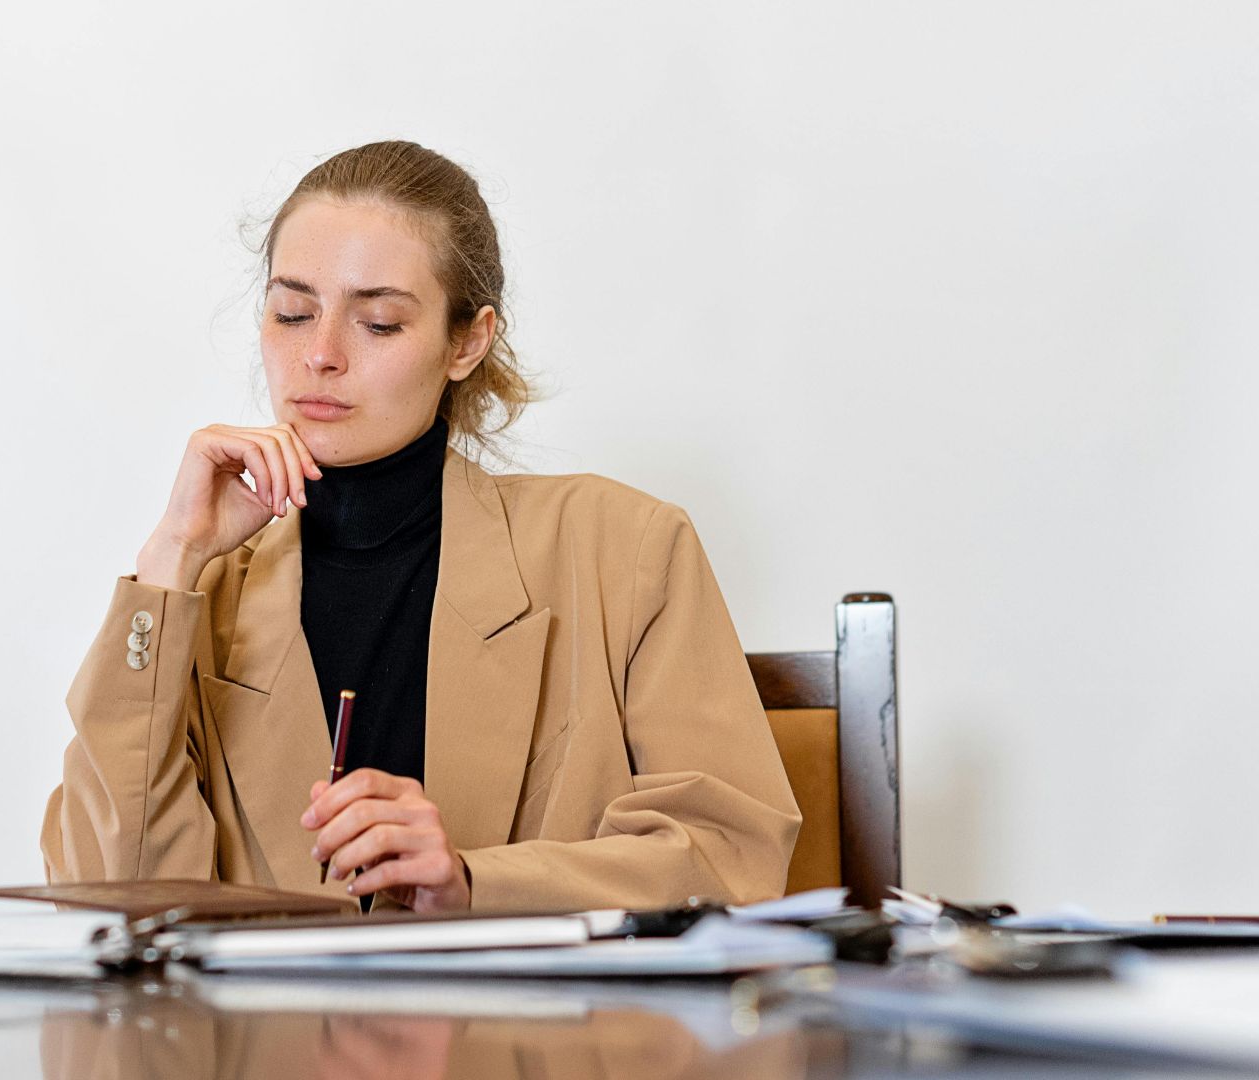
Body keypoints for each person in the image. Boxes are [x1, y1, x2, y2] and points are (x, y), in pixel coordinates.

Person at [41, 140, 800, 914]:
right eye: (291, 313)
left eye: (378, 323)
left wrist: (474, 884)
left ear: (467, 342)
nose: (320, 356)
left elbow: (729, 859)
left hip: (540, 1034)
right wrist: (170, 559)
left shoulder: (626, 548)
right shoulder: (198, 596)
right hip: (262, 1037)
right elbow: (110, 893)